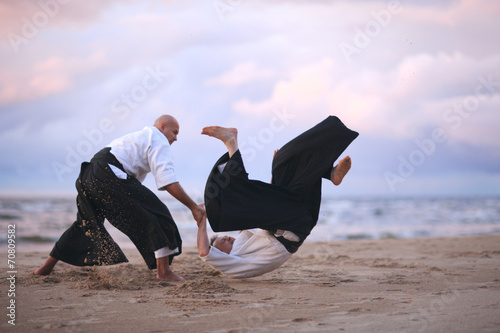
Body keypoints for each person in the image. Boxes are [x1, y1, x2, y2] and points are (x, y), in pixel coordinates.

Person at [35, 115, 205, 281]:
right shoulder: (158, 139)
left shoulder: (138, 138)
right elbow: (168, 181)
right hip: (108, 172)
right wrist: (193, 207)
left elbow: (132, 190)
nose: (176, 138)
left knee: (84, 223)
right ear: (162, 127)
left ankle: (46, 267)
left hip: (88, 175)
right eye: (174, 132)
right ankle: (164, 272)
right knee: (159, 214)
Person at [196, 116, 358, 278]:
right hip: (291, 228)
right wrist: (202, 223)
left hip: (295, 217)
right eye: (223, 242)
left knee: (282, 162)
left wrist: (275, 176)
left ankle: (330, 173)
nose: (227, 238)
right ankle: (232, 143)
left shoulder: (245, 240)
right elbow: (204, 253)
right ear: (219, 254)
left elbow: (267, 204)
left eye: (225, 237)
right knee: (233, 205)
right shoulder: (231, 264)